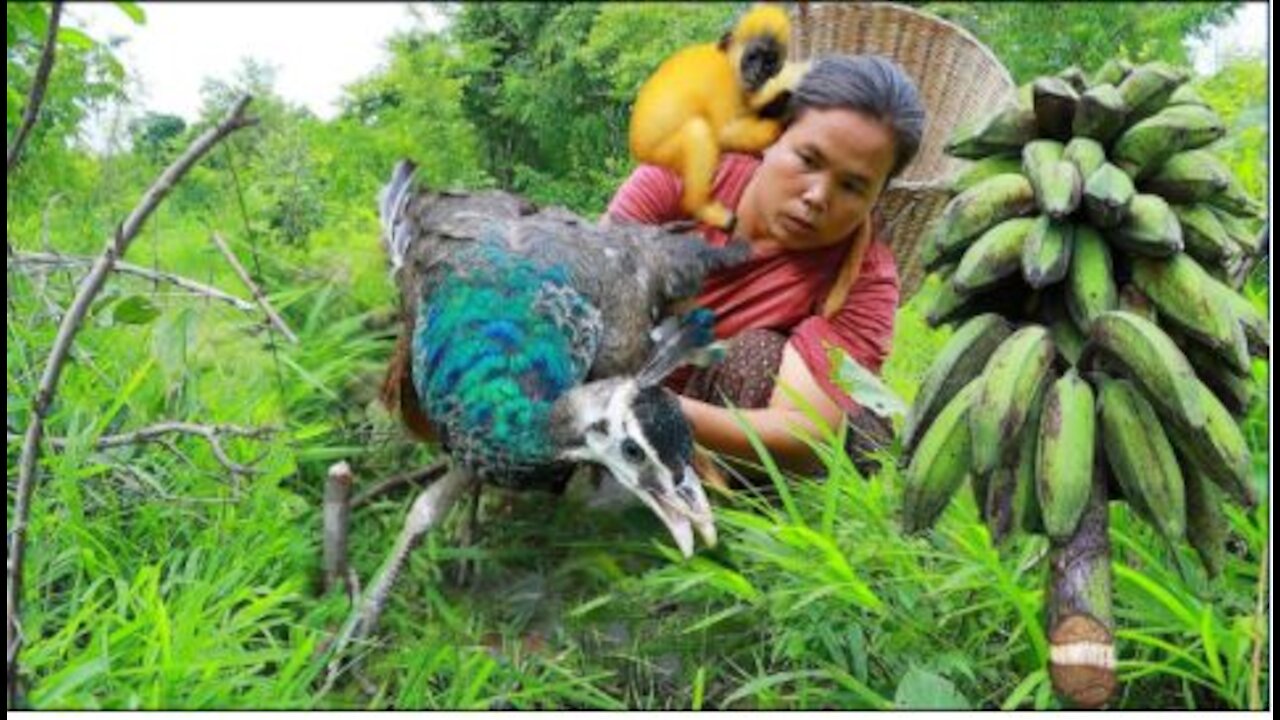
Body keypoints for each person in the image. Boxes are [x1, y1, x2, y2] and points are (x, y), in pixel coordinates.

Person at [604, 54, 926, 478]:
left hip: (729, 444)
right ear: (772, 136)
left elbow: (805, 433)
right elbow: (590, 292)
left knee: (766, 359)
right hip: (608, 401)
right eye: (809, 160)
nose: (817, 196)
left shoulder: (863, 279)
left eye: (852, 186)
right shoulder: (684, 177)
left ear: (877, 198)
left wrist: (654, 410)